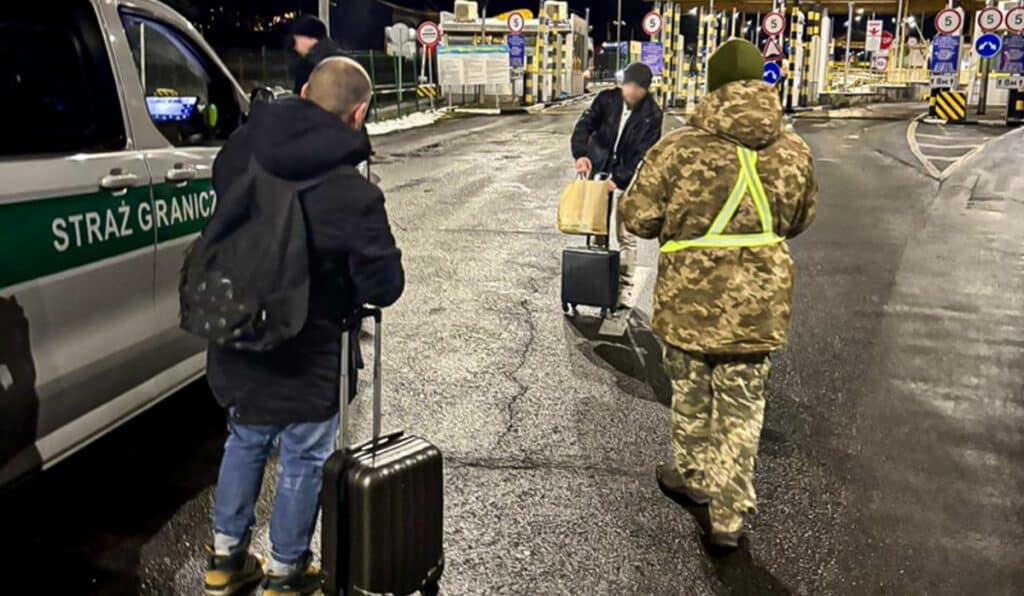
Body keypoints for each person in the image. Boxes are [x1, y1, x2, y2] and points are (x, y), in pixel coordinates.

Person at [203, 57, 404, 596]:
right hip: (309, 344)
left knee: (243, 439)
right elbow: (384, 285)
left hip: (239, 330)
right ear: (358, 113)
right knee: (304, 454)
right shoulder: (352, 192)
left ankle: (225, 560)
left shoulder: (240, 151)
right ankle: (286, 572)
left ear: (302, 92)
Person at [618, 39, 817, 550]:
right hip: (760, 301)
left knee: (690, 394)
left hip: (690, 299)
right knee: (743, 407)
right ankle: (728, 518)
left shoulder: (679, 149)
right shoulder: (792, 150)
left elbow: (637, 217)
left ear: (710, 87)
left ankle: (695, 478)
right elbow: (801, 219)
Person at [570, 62, 663, 310]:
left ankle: (625, 287)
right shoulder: (606, 100)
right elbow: (584, 126)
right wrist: (581, 154)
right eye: (628, 85)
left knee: (626, 235)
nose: (631, 91)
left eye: (638, 87)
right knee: (598, 231)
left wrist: (619, 180)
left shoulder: (652, 114)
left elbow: (643, 153)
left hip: (628, 181)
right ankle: (599, 284)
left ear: (645, 89)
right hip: (599, 172)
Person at [290, 14, 344, 95]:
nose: (295, 47)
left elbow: (300, 100)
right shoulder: (345, 60)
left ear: (307, 38)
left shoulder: (307, 64)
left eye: (295, 40)